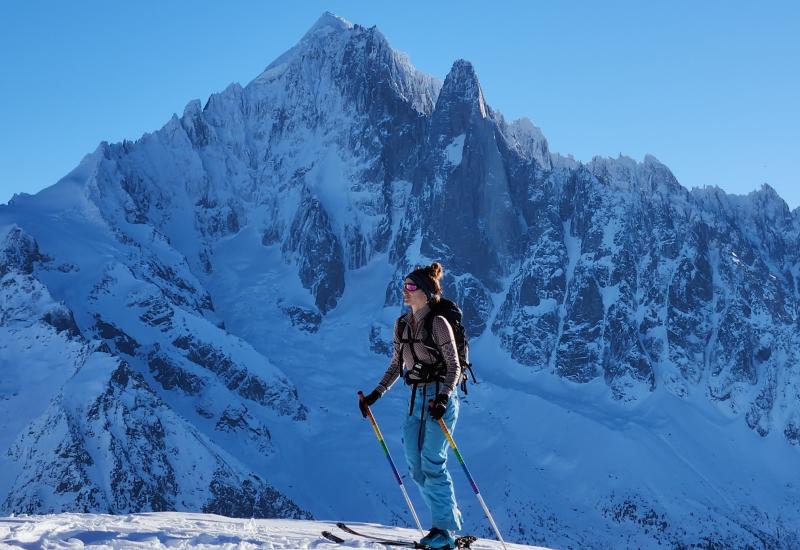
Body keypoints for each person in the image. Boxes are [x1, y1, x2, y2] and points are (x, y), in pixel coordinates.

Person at [359, 262, 463, 550]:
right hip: (415, 398)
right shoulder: (402, 324)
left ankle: (445, 531)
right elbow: (396, 365)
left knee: (432, 462)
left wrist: (443, 397)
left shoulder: (438, 324)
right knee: (415, 466)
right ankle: (439, 527)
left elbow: (454, 365)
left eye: (411, 287)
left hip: (438, 399)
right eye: (404, 286)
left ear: (427, 293)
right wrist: (375, 395)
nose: (405, 291)